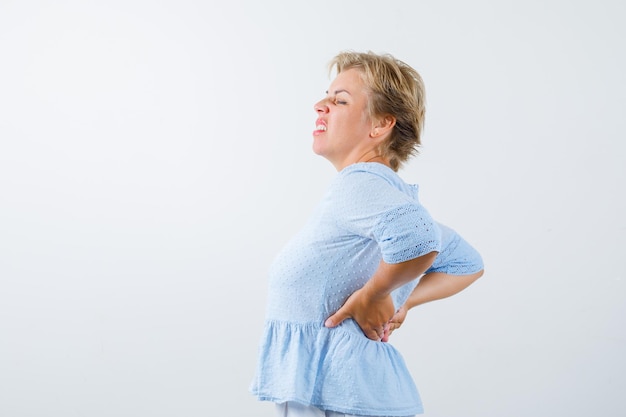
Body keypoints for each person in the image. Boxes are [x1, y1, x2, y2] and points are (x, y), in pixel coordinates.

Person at [250, 51, 484, 417]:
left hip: (338, 399)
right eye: (326, 96)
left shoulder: (358, 185)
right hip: (356, 396)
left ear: (379, 126)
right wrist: (398, 300)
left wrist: (378, 292)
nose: (319, 106)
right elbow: (468, 263)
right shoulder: (384, 198)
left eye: (339, 100)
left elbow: (420, 239)